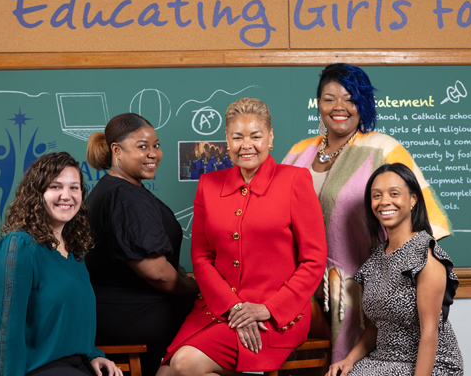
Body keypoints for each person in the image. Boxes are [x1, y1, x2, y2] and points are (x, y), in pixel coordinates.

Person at [283, 63, 452, 361]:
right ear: (318, 103)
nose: (339, 106)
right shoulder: (298, 152)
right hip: (299, 294)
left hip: (359, 295)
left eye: (350, 98)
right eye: (329, 98)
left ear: (363, 103)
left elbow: (424, 227)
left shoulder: (382, 148)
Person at [159, 97, 327, 375]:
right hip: (218, 309)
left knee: (184, 364)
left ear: (270, 137)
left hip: (277, 316)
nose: (246, 145)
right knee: (165, 374)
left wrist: (267, 309)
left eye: (256, 136)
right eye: (237, 137)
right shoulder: (208, 185)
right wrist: (234, 306)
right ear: (227, 139)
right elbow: (201, 257)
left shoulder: (295, 181)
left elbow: (313, 260)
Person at [0, 152, 121, 376]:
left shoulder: (75, 252)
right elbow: (4, 331)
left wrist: (94, 354)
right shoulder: (19, 246)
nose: (66, 195)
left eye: (74, 188)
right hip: (38, 369)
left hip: (78, 365)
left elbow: (72, 321)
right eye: (55, 186)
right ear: (37, 194)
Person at [85, 113, 199, 376]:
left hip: (118, 312)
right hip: (131, 315)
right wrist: (193, 287)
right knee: (221, 323)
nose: (153, 154)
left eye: (156, 145)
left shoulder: (115, 188)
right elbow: (158, 274)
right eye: (142, 146)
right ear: (117, 150)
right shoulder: (123, 195)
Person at [326, 163, 463, 376]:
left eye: (394, 193)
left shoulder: (426, 256)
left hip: (429, 364)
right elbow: (375, 328)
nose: (384, 202)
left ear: (413, 200)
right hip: (382, 360)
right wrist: (349, 360)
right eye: (377, 195)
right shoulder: (376, 258)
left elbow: (430, 332)